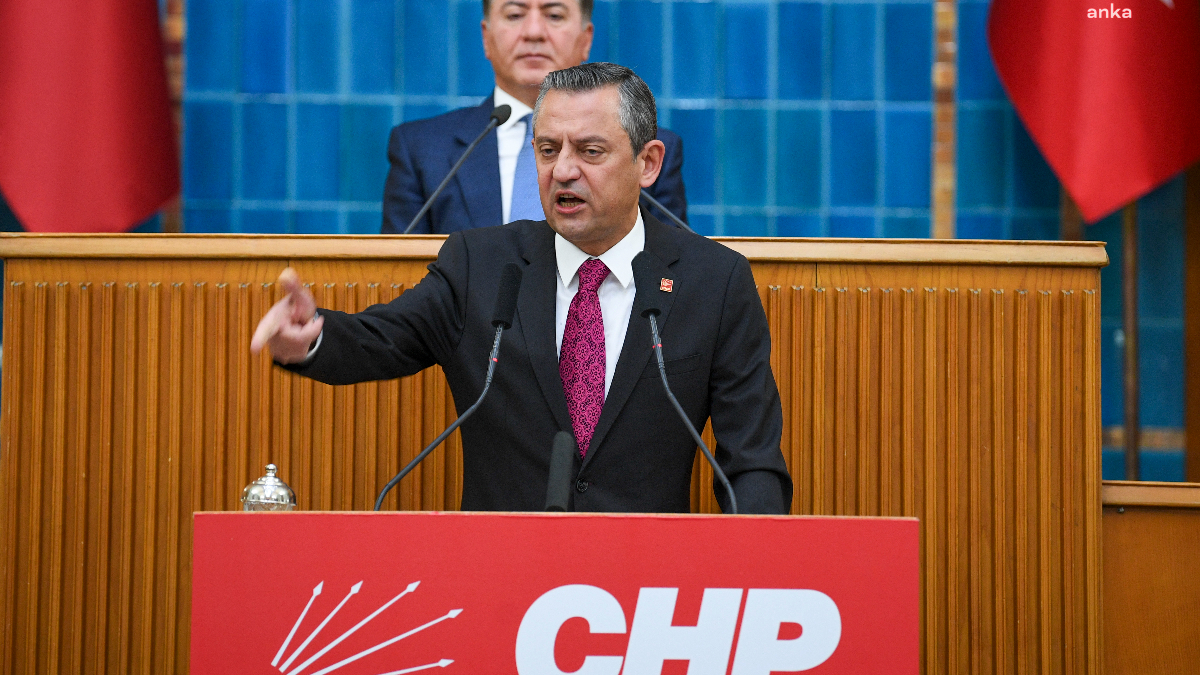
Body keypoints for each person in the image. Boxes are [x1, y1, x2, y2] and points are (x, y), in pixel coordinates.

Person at [254, 63, 791, 514]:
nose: (563, 171)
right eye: (548, 149)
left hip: (648, 582)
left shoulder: (714, 281)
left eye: (590, 151)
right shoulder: (481, 265)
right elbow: (382, 338)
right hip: (502, 576)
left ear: (647, 163)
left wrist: (751, 563)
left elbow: (751, 463)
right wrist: (311, 338)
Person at [381, 0, 687, 234]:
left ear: (586, 39)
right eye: (515, 15)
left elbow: (671, 269)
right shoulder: (421, 150)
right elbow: (395, 274)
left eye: (554, 15)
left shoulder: (643, 148)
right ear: (486, 37)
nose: (533, 33)